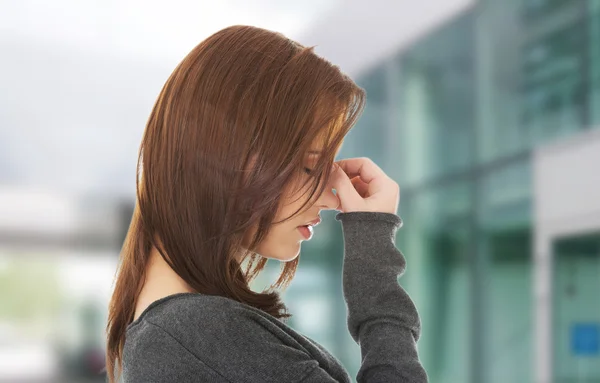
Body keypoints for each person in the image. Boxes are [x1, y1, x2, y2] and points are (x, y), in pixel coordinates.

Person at [105, 25, 428, 383]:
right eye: (309, 165)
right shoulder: (198, 333)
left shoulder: (178, 335)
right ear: (227, 156)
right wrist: (372, 243)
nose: (329, 195)